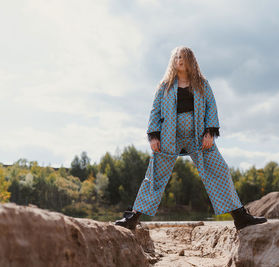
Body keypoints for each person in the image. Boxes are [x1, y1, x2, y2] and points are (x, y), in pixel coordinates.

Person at [114, 46, 267, 231]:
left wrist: (210, 132)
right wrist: (154, 135)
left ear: (190, 60)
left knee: (221, 171)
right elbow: (155, 111)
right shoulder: (165, 86)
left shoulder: (202, 84)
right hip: (169, 137)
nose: (179, 60)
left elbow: (212, 107)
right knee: (153, 176)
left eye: (183, 57)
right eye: (176, 57)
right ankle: (132, 218)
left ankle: (241, 218)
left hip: (198, 137)